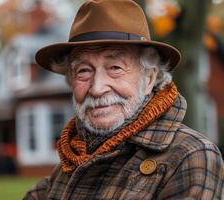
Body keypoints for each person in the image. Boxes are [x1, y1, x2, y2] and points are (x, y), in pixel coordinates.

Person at [23, 0, 224, 199]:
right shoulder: (68, 165)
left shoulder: (191, 155)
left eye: (115, 68)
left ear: (149, 79)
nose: (97, 88)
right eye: (84, 71)